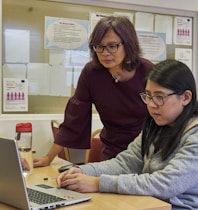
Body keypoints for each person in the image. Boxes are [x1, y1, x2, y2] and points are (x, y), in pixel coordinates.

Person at [57, 59, 198, 210]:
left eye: (159, 97)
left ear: (185, 97)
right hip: (152, 205)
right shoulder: (158, 125)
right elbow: (125, 163)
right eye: (148, 96)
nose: (152, 104)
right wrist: (80, 171)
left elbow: (166, 184)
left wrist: (97, 183)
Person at [33, 16, 153, 167]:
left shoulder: (148, 71)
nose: (105, 53)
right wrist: (48, 158)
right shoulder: (92, 73)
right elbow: (74, 118)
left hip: (148, 151)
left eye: (112, 46)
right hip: (112, 151)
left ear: (128, 45)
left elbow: (166, 116)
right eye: (99, 46)